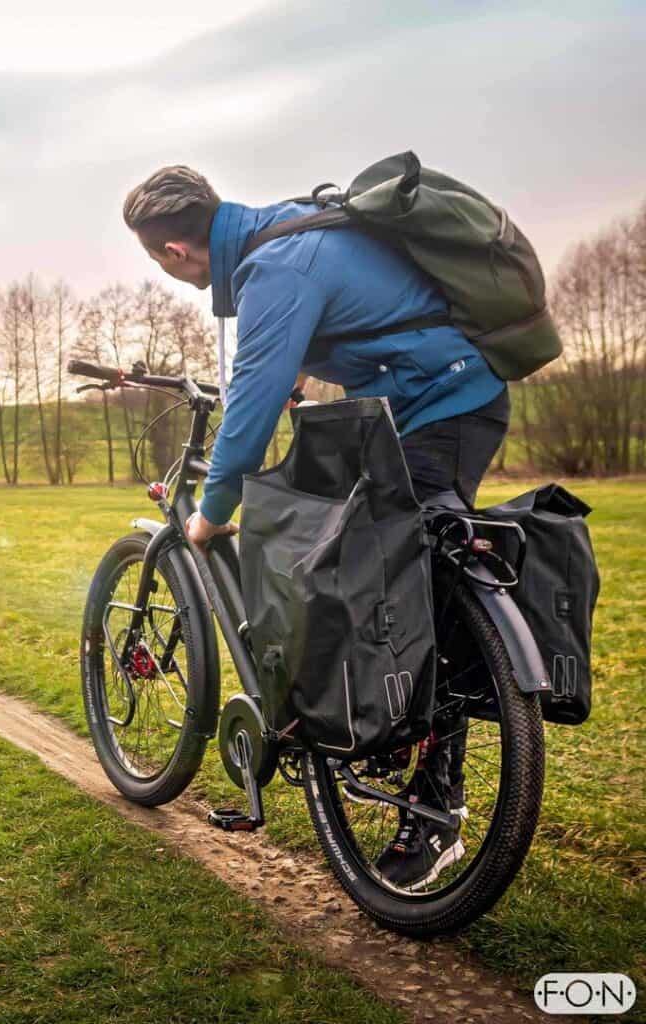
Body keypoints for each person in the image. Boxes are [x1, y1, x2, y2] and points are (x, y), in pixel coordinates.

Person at [122, 164, 511, 889]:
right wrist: (297, 373)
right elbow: (348, 317)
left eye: (159, 262)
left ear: (173, 253)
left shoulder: (274, 269)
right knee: (367, 572)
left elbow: (252, 409)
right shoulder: (286, 227)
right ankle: (364, 719)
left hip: (442, 405)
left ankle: (436, 812)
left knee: (410, 597)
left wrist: (212, 514)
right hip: (430, 399)